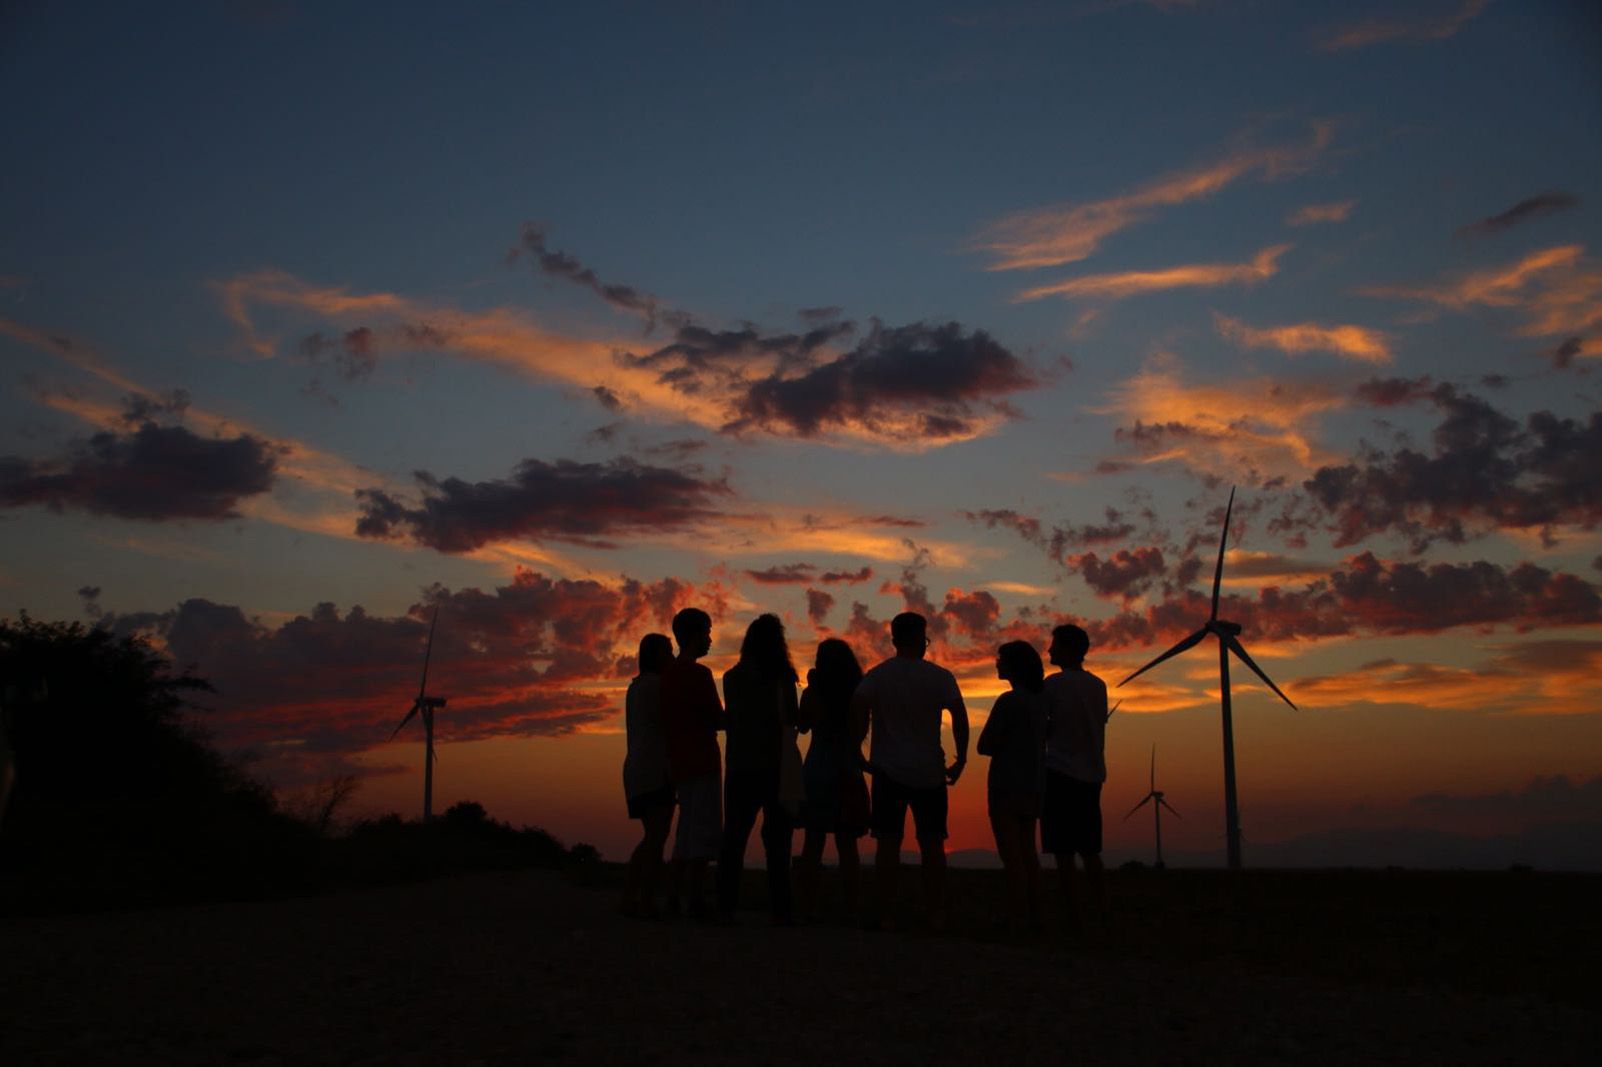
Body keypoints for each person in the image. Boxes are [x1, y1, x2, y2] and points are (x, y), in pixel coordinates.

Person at [851, 612, 969, 931]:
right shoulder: (940, 677)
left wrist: (857, 750)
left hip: (887, 770)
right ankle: (935, 913)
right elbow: (959, 715)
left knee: (887, 844)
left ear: (894, 640)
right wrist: (962, 758)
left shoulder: (877, 676)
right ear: (922, 639)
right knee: (932, 843)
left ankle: (886, 913)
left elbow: (859, 707)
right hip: (929, 771)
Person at [717, 614, 804, 925]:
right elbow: (792, 719)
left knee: (734, 838)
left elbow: (733, 720)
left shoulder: (731, 677)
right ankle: (781, 909)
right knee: (778, 842)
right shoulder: (782, 678)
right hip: (777, 765)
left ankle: (724, 906)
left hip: (741, 764)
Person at [794, 638, 869, 921]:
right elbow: (859, 733)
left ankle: (806, 908)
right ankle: (852, 909)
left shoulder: (813, 694)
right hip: (848, 768)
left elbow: (801, 726)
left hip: (817, 769)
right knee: (847, 845)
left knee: (812, 843)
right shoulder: (858, 693)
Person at [976, 640, 1048, 934]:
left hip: (1007, 784)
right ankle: (1035, 916)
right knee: (1029, 853)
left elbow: (985, 744)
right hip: (1034, 783)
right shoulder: (1041, 702)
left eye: (1001, 659)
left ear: (1014, 666)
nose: (996, 663)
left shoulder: (1009, 701)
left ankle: (1017, 917)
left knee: (1012, 855)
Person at [1041, 623, 1109, 931]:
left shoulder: (1052, 685)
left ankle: (1073, 915)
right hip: (1092, 774)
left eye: (1054, 645)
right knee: (1090, 848)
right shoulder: (1098, 685)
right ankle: (1100, 908)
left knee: (1063, 851)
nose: (1049, 650)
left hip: (1059, 772)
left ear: (1067, 649)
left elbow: (1044, 725)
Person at [661, 607, 724, 920]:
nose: (710, 639)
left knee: (685, 834)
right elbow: (717, 717)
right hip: (702, 759)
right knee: (702, 833)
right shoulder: (699, 675)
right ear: (695, 635)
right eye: (707, 632)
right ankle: (696, 902)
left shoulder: (667, 675)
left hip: (679, 761)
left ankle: (673, 899)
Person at [619, 632, 676, 918]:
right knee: (656, 836)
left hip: (637, 768)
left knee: (653, 836)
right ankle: (643, 901)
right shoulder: (656, 686)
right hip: (654, 768)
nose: (672, 656)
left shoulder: (637, 687)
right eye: (668, 651)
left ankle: (633, 898)